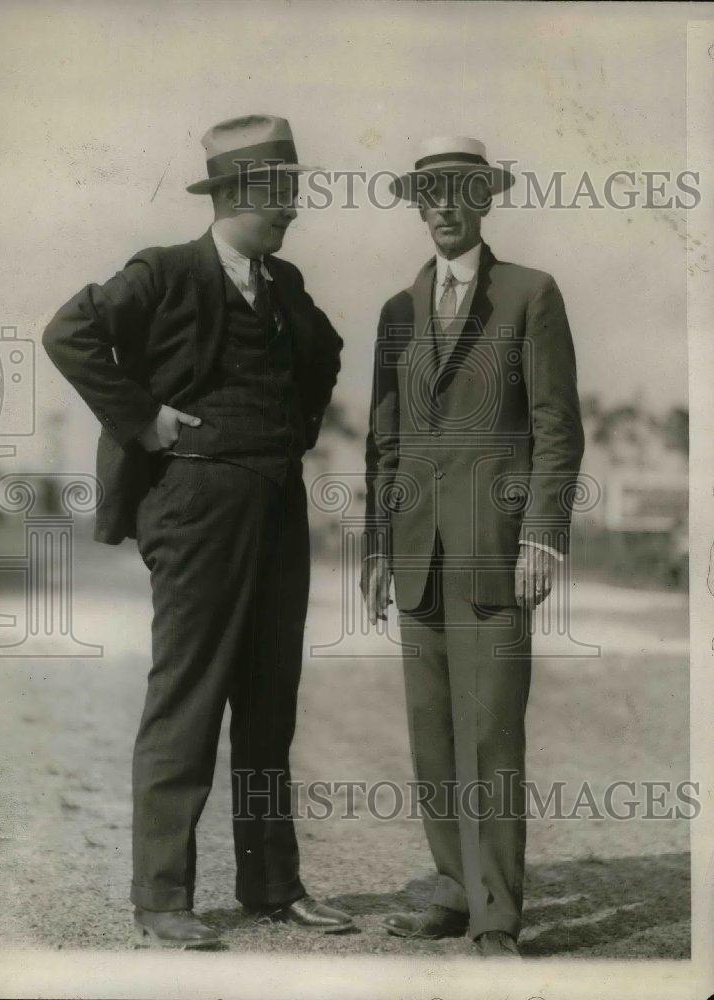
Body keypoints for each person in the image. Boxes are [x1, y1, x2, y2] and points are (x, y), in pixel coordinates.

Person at [43, 114, 352, 948]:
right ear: (234, 195)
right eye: (278, 194)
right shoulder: (165, 270)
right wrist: (142, 419)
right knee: (186, 698)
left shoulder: (284, 286)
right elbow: (68, 333)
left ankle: (272, 886)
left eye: (293, 192)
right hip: (194, 507)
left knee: (268, 703)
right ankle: (162, 898)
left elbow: (326, 352)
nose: (291, 208)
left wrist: (293, 431)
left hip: (278, 504)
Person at [361, 136, 585, 957]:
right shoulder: (395, 310)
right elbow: (384, 442)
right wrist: (378, 549)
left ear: (484, 200)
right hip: (416, 554)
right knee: (431, 735)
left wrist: (541, 537)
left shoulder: (530, 294)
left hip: (497, 549)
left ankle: (496, 914)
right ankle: (455, 890)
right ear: (417, 208)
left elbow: (557, 428)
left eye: (459, 191)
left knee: (489, 732)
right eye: (430, 196)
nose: (444, 208)